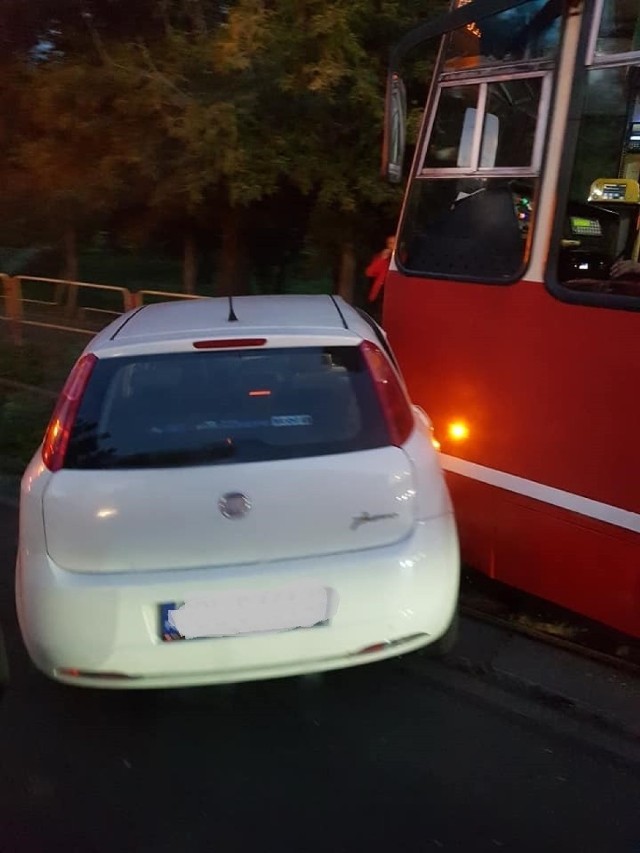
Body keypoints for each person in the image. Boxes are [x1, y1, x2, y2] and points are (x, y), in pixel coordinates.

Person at [365, 236, 395, 322]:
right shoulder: (381, 257)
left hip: (394, 295)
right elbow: (369, 272)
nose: (392, 246)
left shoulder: (403, 257)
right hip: (380, 294)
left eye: (394, 243)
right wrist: (382, 258)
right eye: (390, 243)